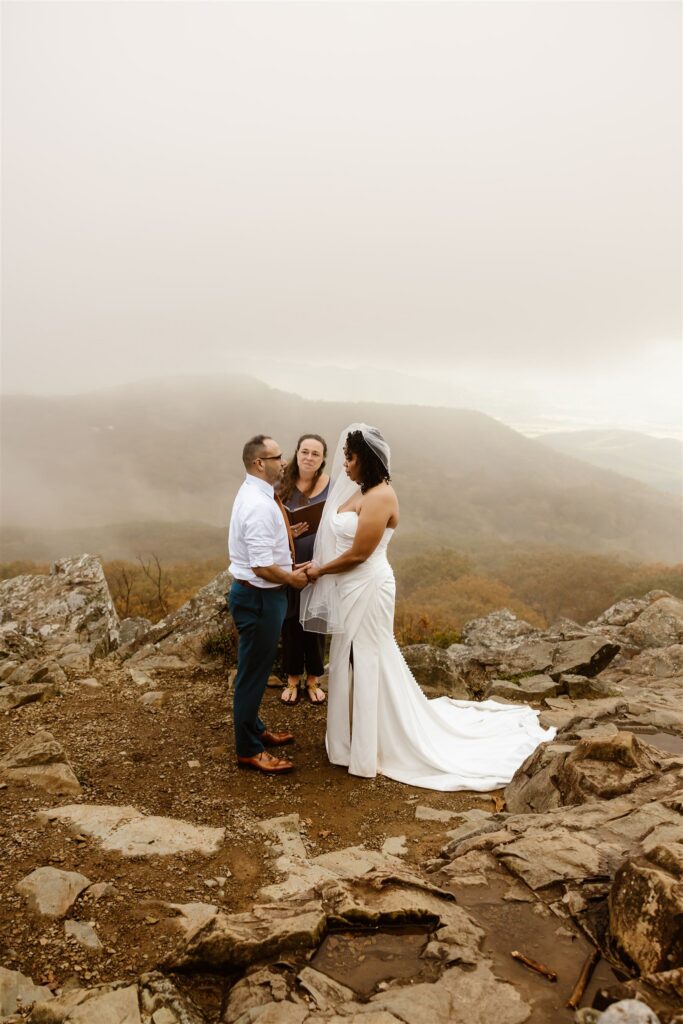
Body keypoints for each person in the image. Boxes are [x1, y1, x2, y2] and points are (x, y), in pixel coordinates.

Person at [301, 424, 556, 791]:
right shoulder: (361, 492)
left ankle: (371, 750)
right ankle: (346, 743)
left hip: (369, 586)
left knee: (371, 657)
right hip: (348, 587)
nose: (344, 464)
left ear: (367, 460)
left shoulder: (381, 497)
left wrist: (319, 571)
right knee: (345, 657)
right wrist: (313, 567)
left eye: (350, 457)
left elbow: (359, 553)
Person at [228, 434, 310, 774]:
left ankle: (256, 729)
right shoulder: (260, 505)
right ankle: (248, 749)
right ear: (259, 463)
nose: (285, 462)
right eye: (277, 457)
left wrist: (285, 532)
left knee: (257, 671)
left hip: (261, 596)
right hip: (261, 598)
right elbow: (261, 566)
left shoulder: (258, 494)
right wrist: (292, 579)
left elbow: (261, 547)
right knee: (253, 674)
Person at [278, 434, 330, 706]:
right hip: (289, 559)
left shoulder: (331, 486)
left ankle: (314, 679)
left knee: (317, 619)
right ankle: (292, 678)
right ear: (296, 453)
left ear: (323, 459)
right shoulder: (281, 483)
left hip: (320, 560)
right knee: (291, 618)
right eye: (304, 452)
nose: (309, 458)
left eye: (315, 454)